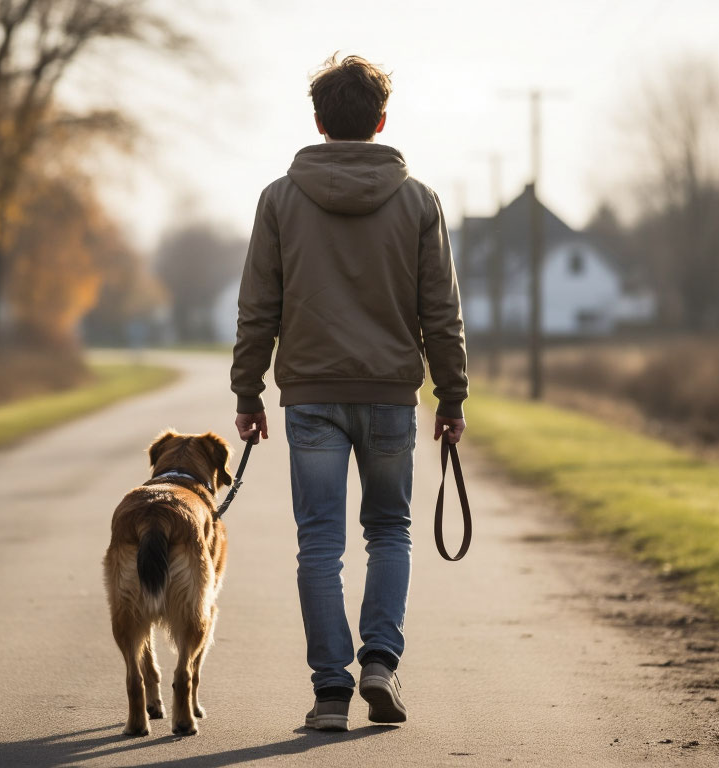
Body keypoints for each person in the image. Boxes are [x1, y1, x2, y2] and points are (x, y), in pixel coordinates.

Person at [230, 53, 468, 731]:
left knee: (319, 543)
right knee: (390, 531)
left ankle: (331, 691)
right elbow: (441, 312)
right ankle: (381, 663)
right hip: (391, 395)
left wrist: (248, 392)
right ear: (381, 121)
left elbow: (258, 308)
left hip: (311, 395)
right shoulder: (419, 201)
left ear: (318, 121)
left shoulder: (280, 199)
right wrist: (451, 396)